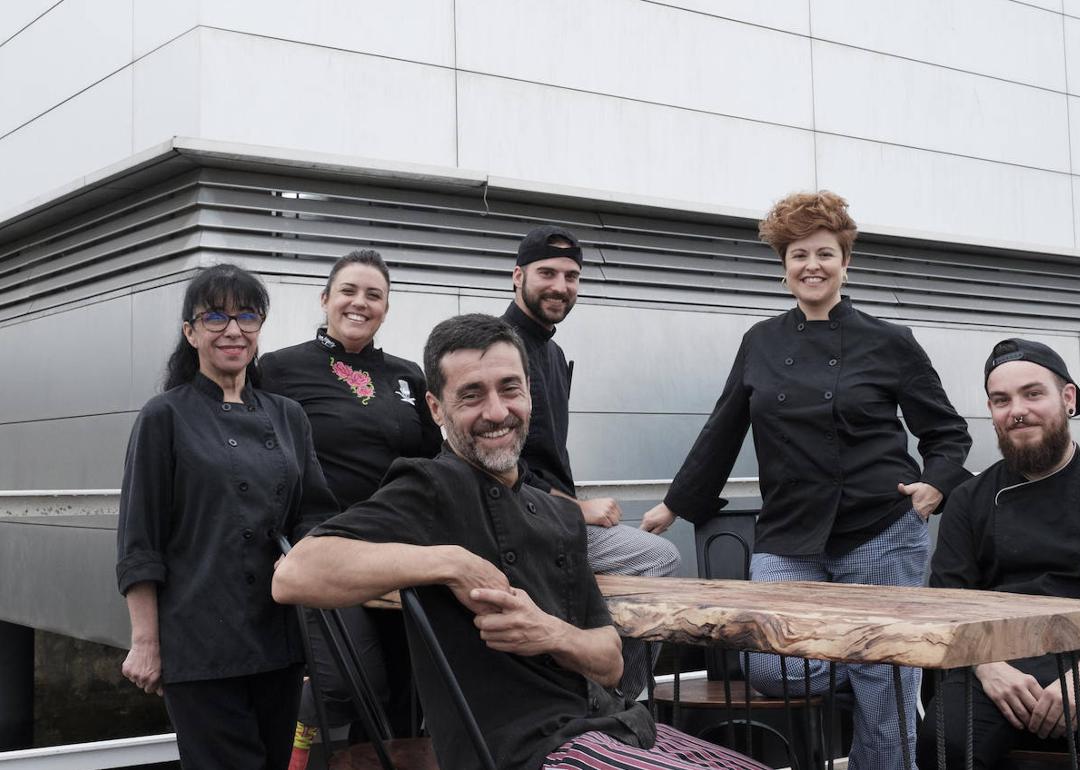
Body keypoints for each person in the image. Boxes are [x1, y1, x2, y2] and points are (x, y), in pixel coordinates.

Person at [272, 313, 769, 770]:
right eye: (471, 395)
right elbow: (295, 574)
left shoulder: (558, 513)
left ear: (529, 393)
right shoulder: (431, 486)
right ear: (435, 409)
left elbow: (610, 661)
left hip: (616, 725)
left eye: (510, 388)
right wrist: (450, 561)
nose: (497, 411)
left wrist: (549, 632)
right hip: (520, 753)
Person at [641, 191, 972, 769]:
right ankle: (889, 666)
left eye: (824, 253)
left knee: (882, 682)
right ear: (784, 265)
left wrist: (935, 485)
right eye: (798, 254)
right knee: (774, 663)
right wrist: (674, 506)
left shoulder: (889, 341)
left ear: (847, 262)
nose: (811, 265)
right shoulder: (761, 341)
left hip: (881, 528)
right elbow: (724, 429)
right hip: (790, 533)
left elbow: (947, 433)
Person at [916, 339, 1080, 770]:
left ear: (1068, 398)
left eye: (1032, 393)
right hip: (997, 661)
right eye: (1001, 400)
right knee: (943, 746)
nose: (1016, 410)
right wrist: (988, 668)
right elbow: (948, 602)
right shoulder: (969, 499)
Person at [116, 263, 337, 770]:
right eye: (215, 316)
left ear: (260, 328)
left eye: (247, 316)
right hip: (199, 642)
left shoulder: (289, 416)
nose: (232, 329)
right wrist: (145, 642)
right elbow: (139, 540)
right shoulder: (164, 416)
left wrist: (312, 555)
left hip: (278, 637)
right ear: (191, 333)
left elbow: (315, 514)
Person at [259, 249, 441, 754]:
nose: (360, 303)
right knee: (351, 683)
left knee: (410, 692)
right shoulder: (278, 369)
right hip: (327, 544)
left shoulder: (409, 377)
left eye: (374, 295)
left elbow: (435, 458)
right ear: (325, 299)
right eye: (348, 291)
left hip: (403, 550)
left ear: (386, 307)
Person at [503, 225, 681, 699]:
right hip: (518, 518)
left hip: (549, 513)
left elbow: (542, 459)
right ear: (517, 276)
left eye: (571, 276)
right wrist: (578, 510)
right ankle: (620, 698)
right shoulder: (501, 346)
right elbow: (499, 462)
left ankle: (600, 693)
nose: (560, 286)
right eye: (547, 273)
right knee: (658, 558)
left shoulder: (552, 350)